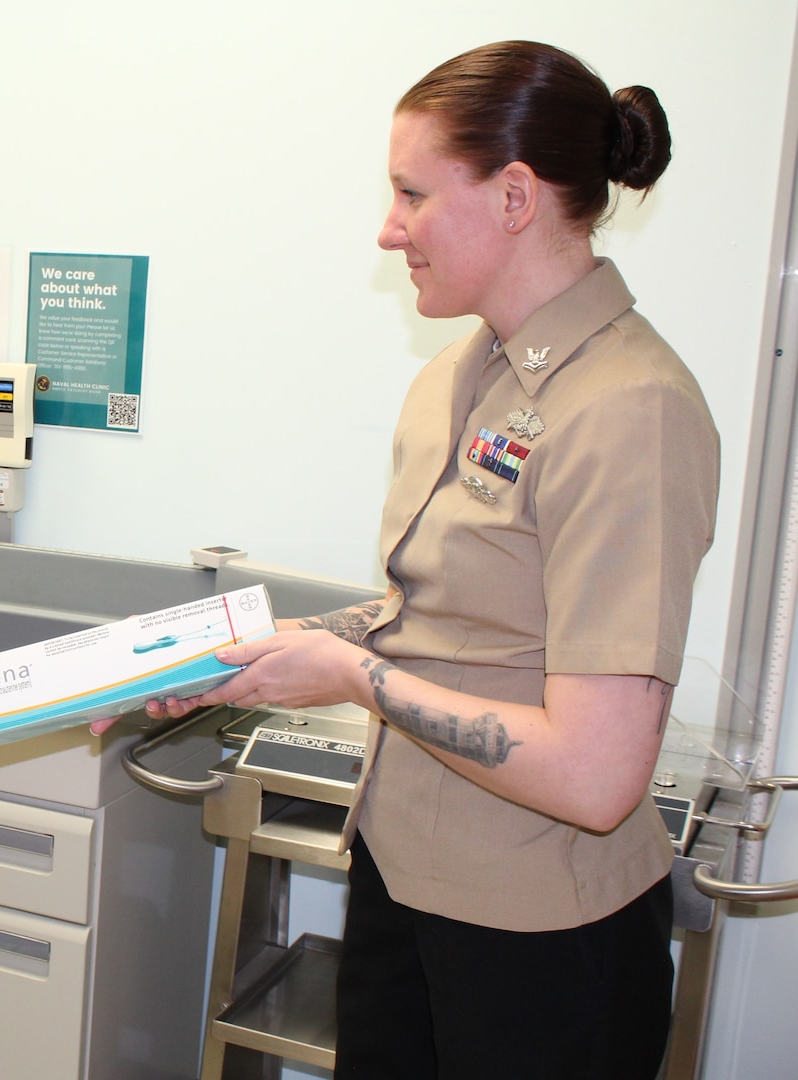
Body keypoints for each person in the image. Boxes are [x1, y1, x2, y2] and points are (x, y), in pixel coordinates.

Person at [140, 41, 718, 1078]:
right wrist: (215, 657)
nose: (388, 228)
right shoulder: (466, 374)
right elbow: (436, 617)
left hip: (544, 939)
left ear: (512, 196)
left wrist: (353, 677)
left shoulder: (631, 409)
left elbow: (595, 776)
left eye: (411, 193)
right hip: (408, 880)